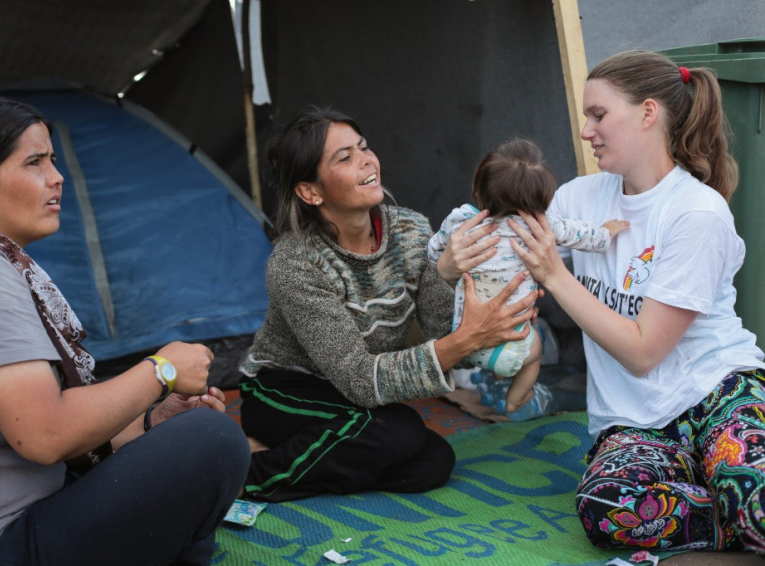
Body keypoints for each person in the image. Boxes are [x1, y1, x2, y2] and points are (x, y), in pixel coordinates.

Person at [0, 89, 250, 566]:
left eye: (52, 160)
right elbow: (45, 433)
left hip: (21, 511)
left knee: (187, 438)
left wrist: (153, 421)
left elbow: (49, 438)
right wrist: (161, 370)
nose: (57, 178)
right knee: (212, 442)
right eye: (34, 162)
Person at [504, 50, 765, 552]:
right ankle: (725, 508)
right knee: (606, 506)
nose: (586, 131)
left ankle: (737, 498)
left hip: (717, 393)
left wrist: (555, 275)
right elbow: (509, 250)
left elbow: (644, 352)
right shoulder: (578, 199)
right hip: (634, 423)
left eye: (598, 114)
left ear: (648, 113)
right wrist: (455, 261)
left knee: (758, 504)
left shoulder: (696, 212)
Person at [237, 106, 539, 502]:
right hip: (285, 390)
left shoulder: (410, 229)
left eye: (364, 147)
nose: (366, 160)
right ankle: (244, 476)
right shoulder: (295, 264)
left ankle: (294, 451)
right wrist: (467, 339)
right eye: (345, 157)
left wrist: (486, 313)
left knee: (433, 462)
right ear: (311, 192)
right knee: (398, 432)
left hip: (351, 395)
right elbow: (361, 379)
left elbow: (440, 332)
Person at [428, 137, 628, 421]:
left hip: (462, 339)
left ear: (477, 189)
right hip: (514, 345)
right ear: (543, 201)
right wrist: (606, 233)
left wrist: (442, 263)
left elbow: (433, 251)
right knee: (534, 352)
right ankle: (516, 397)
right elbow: (582, 235)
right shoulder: (542, 226)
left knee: (495, 355)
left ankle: (490, 376)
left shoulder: (460, 221)